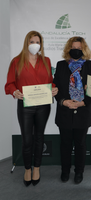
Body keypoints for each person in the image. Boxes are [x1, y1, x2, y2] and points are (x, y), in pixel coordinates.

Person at [5, 31, 58, 187]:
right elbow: (9, 84)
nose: (35, 44)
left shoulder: (46, 61)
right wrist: (14, 91)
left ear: (41, 44)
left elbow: (50, 81)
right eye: (32, 41)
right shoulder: (16, 61)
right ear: (26, 43)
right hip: (25, 106)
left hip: (43, 106)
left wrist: (54, 89)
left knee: (39, 138)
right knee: (27, 139)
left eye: (37, 41)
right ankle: (27, 169)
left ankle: (37, 168)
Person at [53, 36, 91, 184]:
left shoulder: (90, 65)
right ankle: (65, 171)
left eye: (79, 48)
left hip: (82, 112)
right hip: (64, 112)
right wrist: (63, 101)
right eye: (73, 48)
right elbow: (55, 88)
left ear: (83, 50)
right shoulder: (60, 65)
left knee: (80, 144)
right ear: (68, 49)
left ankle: (79, 172)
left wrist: (83, 103)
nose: (76, 51)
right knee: (65, 144)